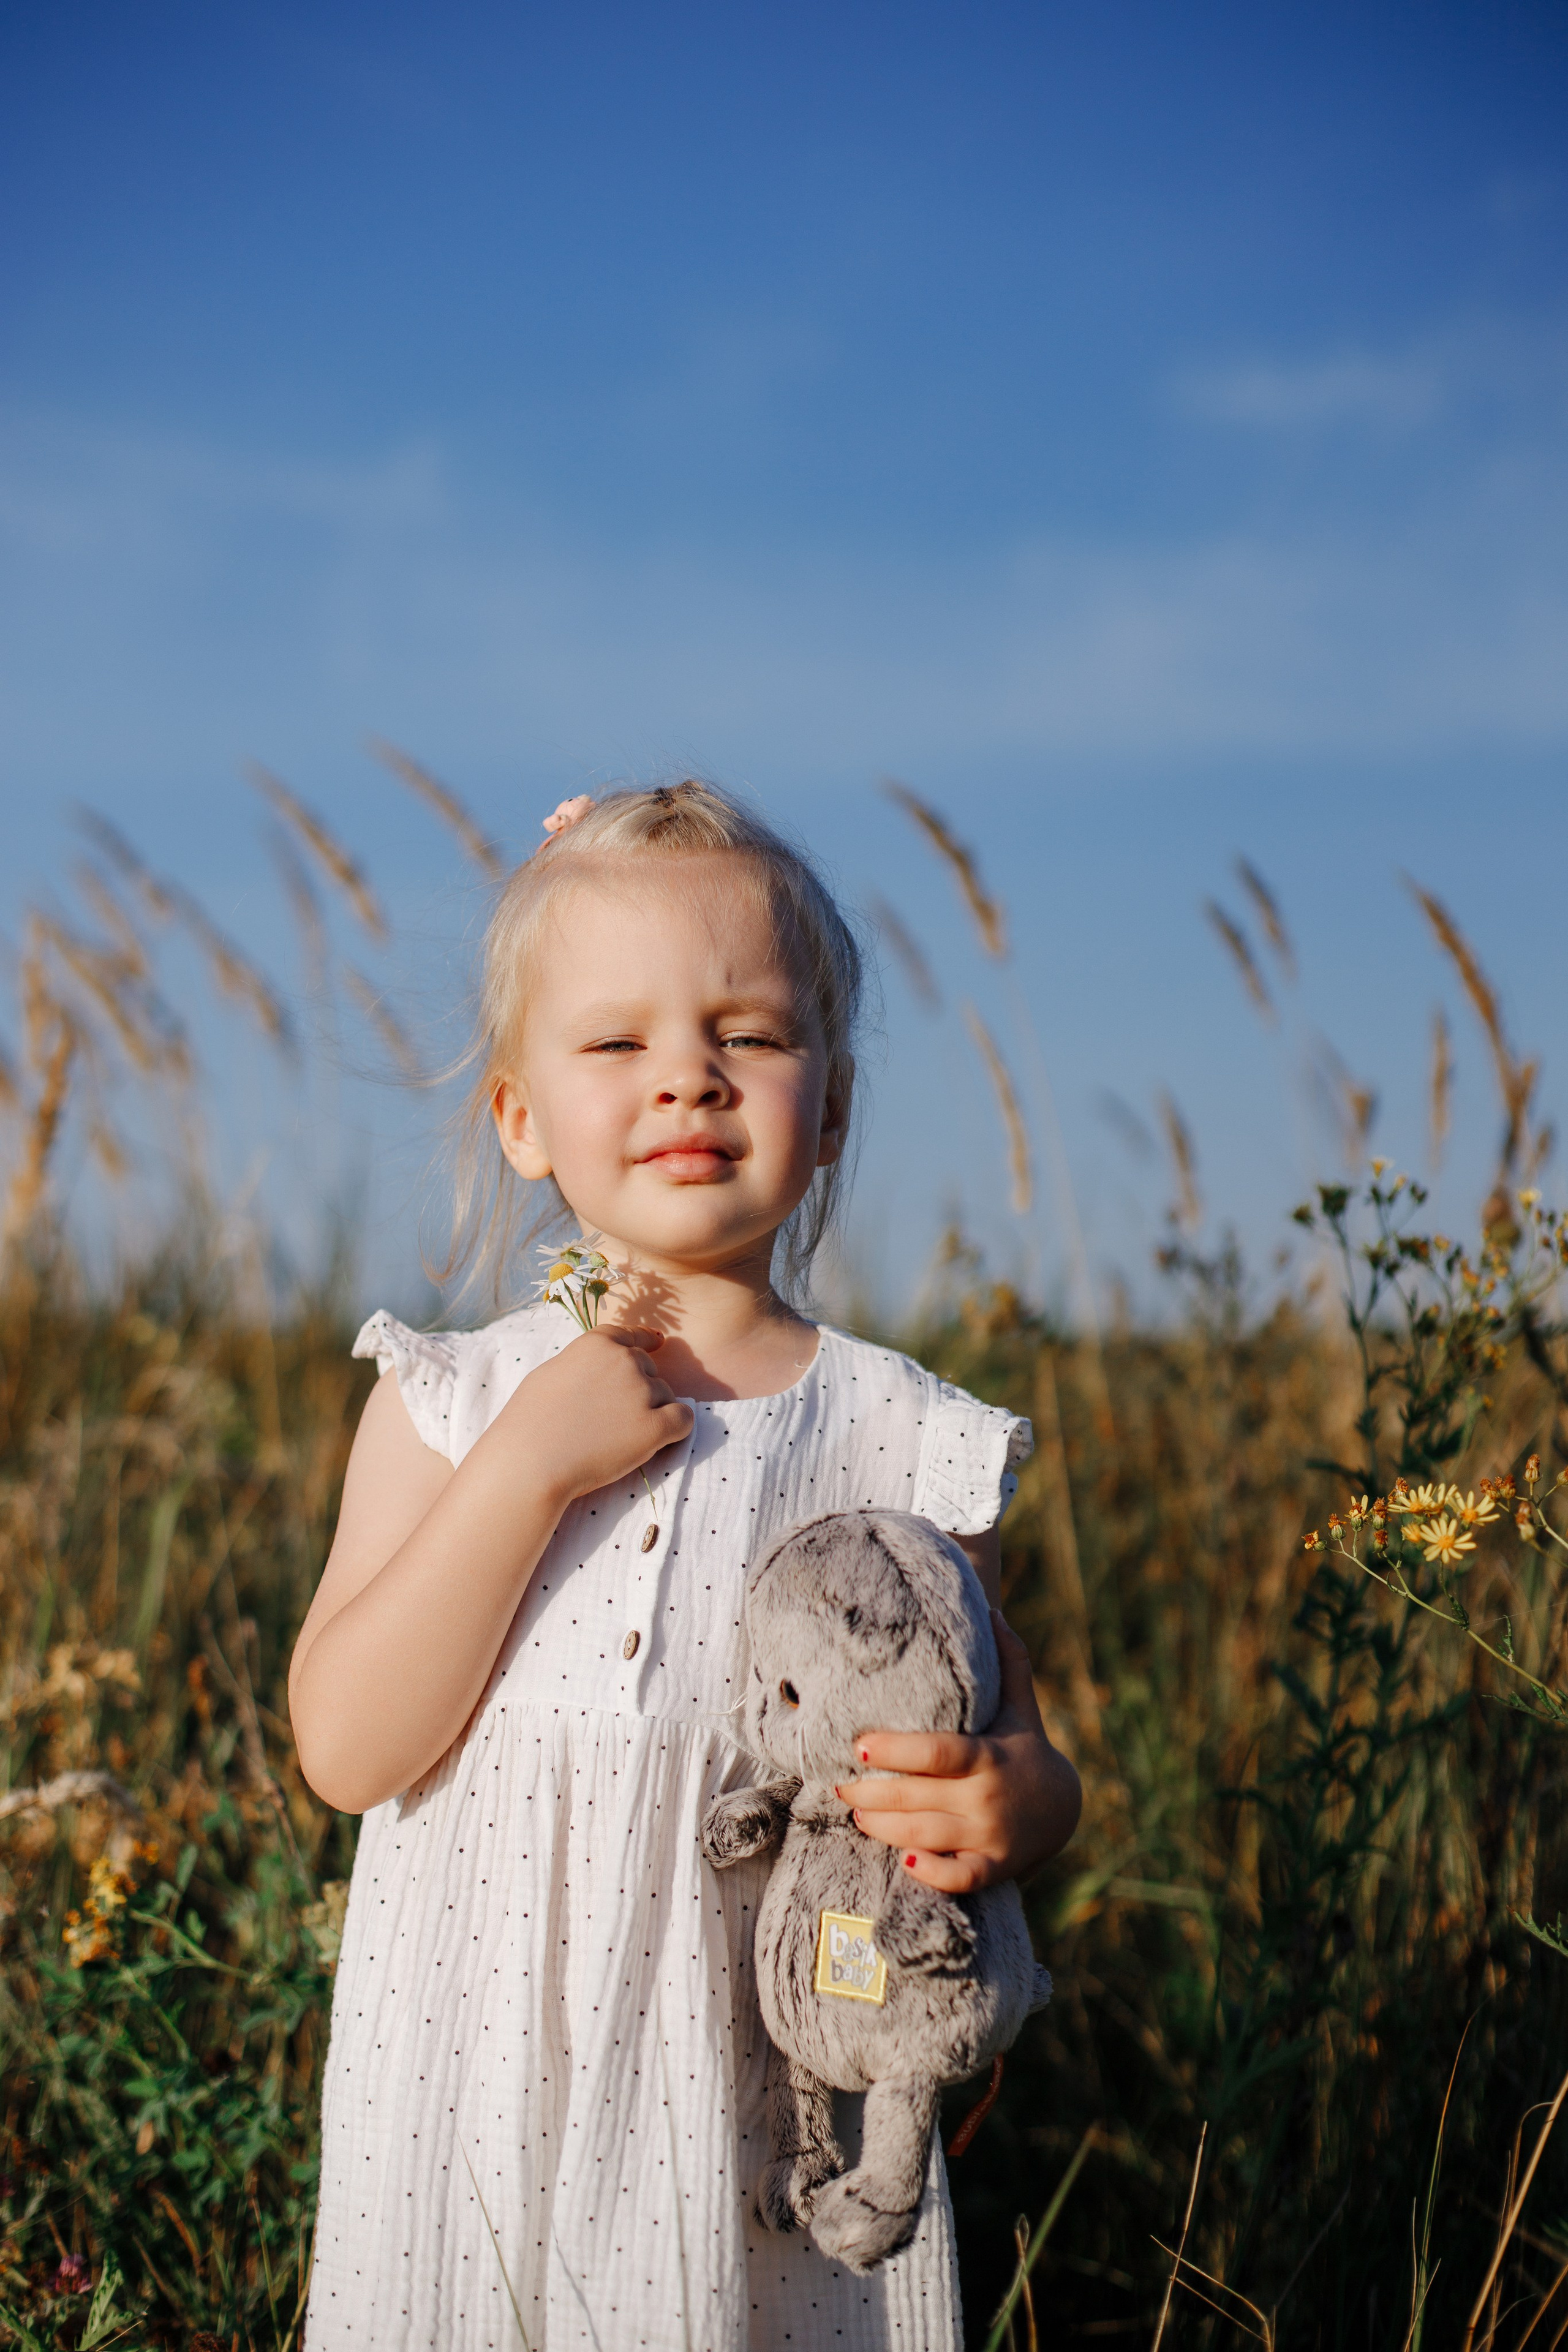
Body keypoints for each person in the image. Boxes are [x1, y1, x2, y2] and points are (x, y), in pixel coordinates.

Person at [289, 780, 1082, 2351]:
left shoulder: (895, 1434)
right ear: (518, 1115)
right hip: (484, 2098)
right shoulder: (451, 1407)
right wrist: (525, 1470)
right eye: (615, 1044)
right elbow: (346, 1745)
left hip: (760, 2101)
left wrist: (1009, 1806)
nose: (688, 1082)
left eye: (750, 1035)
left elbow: (1027, 1747)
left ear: (832, 1107)